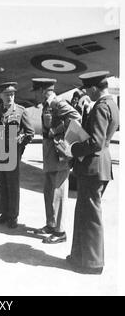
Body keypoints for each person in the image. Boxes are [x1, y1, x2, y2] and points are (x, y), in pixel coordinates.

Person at [56, 71, 119, 274]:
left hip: (93, 167)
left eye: (87, 89)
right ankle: (80, 257)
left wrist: (72, 149)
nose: (86, 93)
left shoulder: (101, 107)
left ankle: (92, 263)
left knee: (91, 216)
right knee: (84, 214)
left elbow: (96, 141)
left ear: (93, 88)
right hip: (97, 166)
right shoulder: (111, 104)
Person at [32, 78, 81, 244]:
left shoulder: (57, 103)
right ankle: (51, 225)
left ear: (42, 91)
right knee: (49, 191)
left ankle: (60, 232)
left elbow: (76, 117)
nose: (35, 95)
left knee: (59, 192)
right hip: (49, 154)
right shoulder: (47, 104)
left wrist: (59, 132)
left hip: (59, 154)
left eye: (36, 91)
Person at [0, 82, 34, 228]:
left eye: (12, 94)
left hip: (13, 155)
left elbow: (29, 133)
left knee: (12, 185)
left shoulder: (21, 111)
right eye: (7, 95)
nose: (10, 97)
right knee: (2, 183)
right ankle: (4, 213)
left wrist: (19, 147)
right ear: (0, 96)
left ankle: (13, 216)